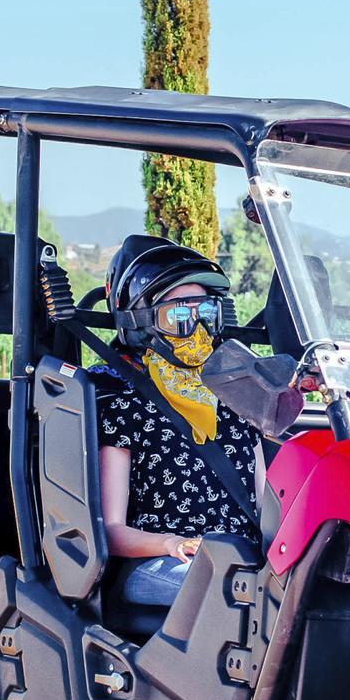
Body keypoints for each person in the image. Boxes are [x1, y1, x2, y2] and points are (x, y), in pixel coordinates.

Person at [94, 235, 264, 614]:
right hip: (160, 561)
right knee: (238, 598)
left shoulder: (234, 400)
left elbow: (264, 510)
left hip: (241, 561)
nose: (196, 328)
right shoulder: (122, 402)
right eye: (179, 315)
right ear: (140, 320)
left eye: (204, 312)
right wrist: (172, 543)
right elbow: (109, 531)